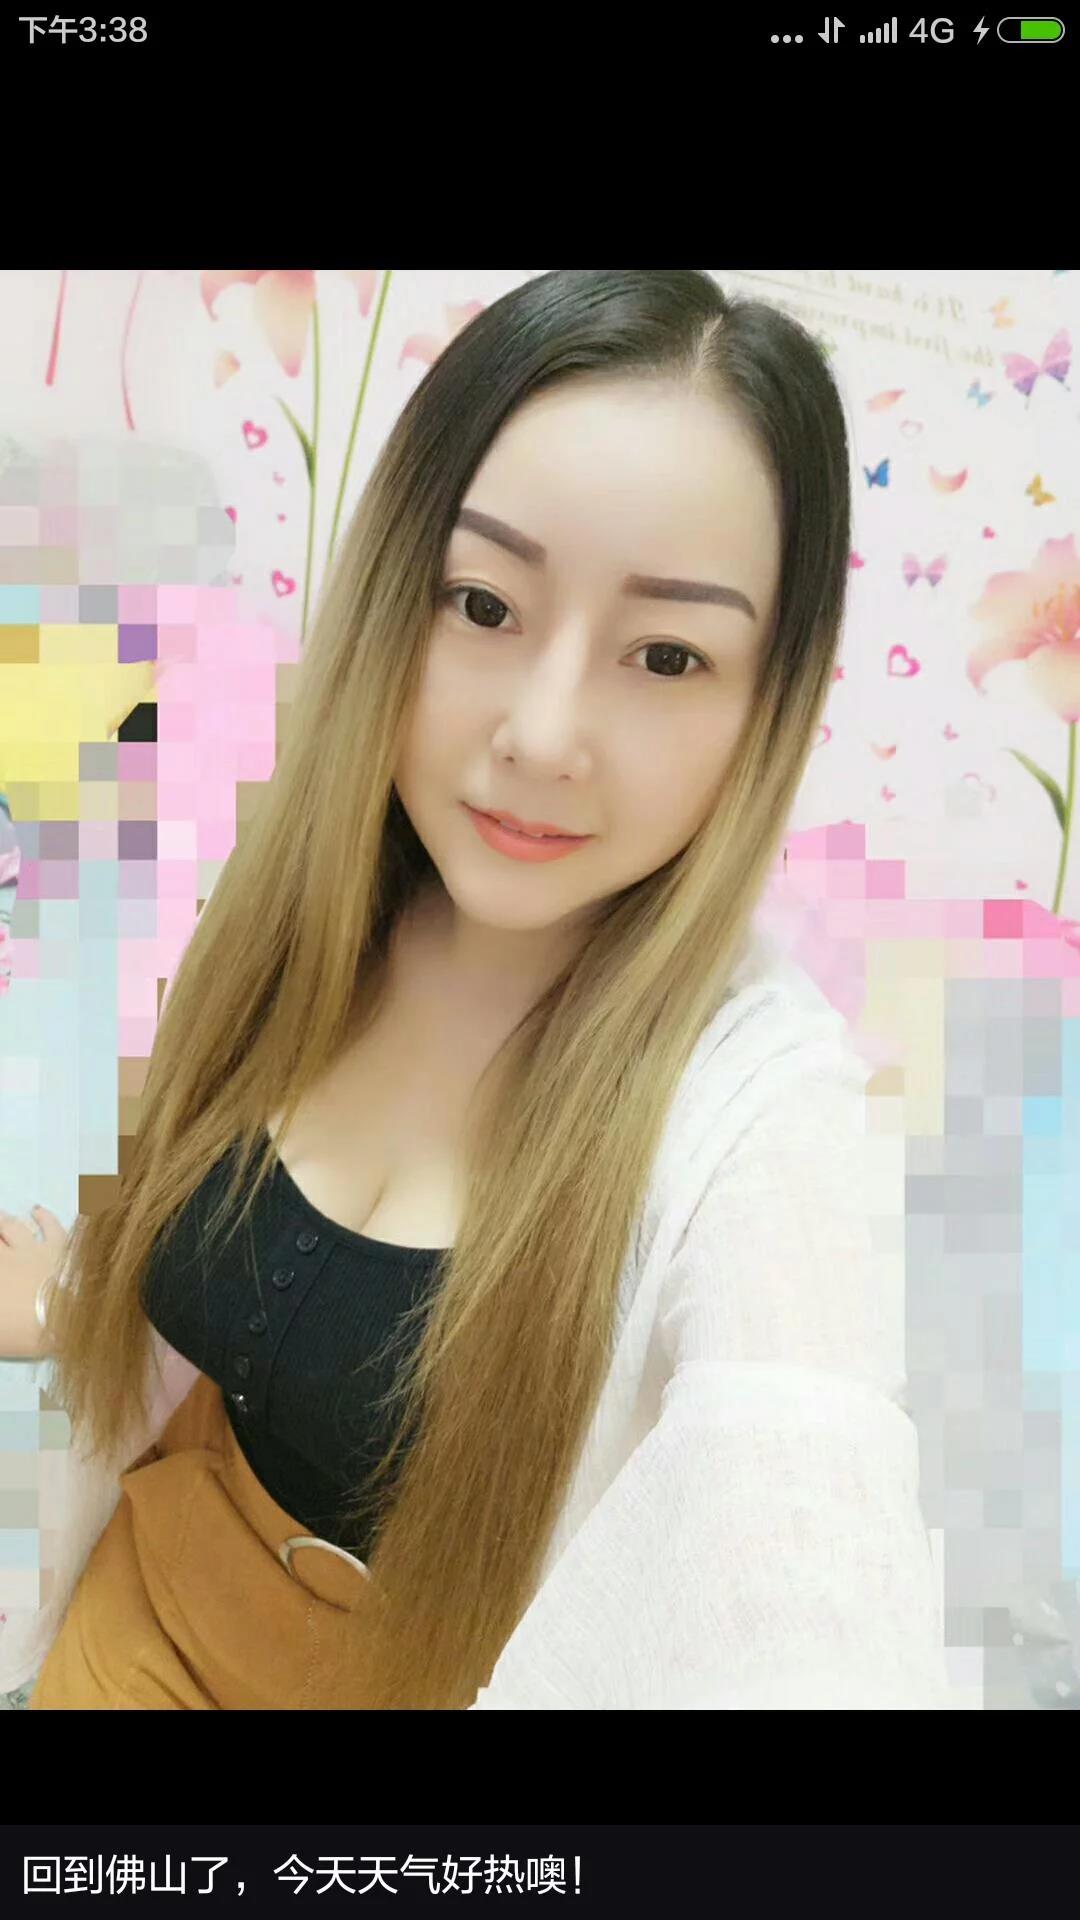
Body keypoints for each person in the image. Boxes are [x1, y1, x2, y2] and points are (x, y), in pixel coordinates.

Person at [0, 268, 952, 1709]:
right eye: (484, 603)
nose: (543, 733)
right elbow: (206, 1255)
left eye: (668, 654)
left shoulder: (766, 1122)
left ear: (770, 705)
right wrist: (84, 1296)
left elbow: (804, 1530)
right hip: (142, 1605)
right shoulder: (308, 901)